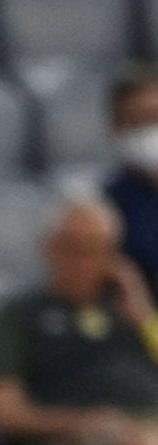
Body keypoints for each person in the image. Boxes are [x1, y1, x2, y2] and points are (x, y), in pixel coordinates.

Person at [0, 198, 158, 445]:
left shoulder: (135, 312)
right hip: (73, 443)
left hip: (148, 429)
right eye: (72, 248)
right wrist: (80, 423)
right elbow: (4, 411)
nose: (82, 262)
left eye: (95, 250)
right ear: (49, 247)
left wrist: (143, 316)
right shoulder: (22, 314)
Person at [104, 63, 158, 300]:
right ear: (116, 128)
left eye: (155, 118)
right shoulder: (104, 205)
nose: (150, 131)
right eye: (137, 121)